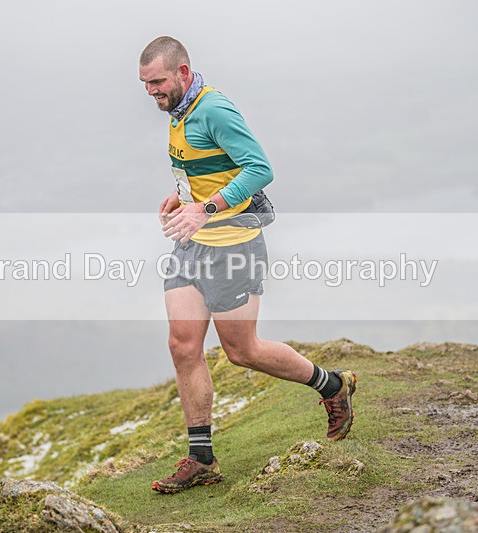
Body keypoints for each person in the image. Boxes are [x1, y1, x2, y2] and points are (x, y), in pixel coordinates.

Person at [138, 36, 357, 494]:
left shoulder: (214, 109)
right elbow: (209, 167)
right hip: (192, 244)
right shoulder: (179, 111)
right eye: (145, 84)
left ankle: (332, 385)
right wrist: (181, 197)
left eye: (157, 82)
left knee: (242, 350)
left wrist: (205, 208)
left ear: (182, 72)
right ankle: (202, 459)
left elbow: (259, 169)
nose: (151, 92)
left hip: (234, 245)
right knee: (182, 346)